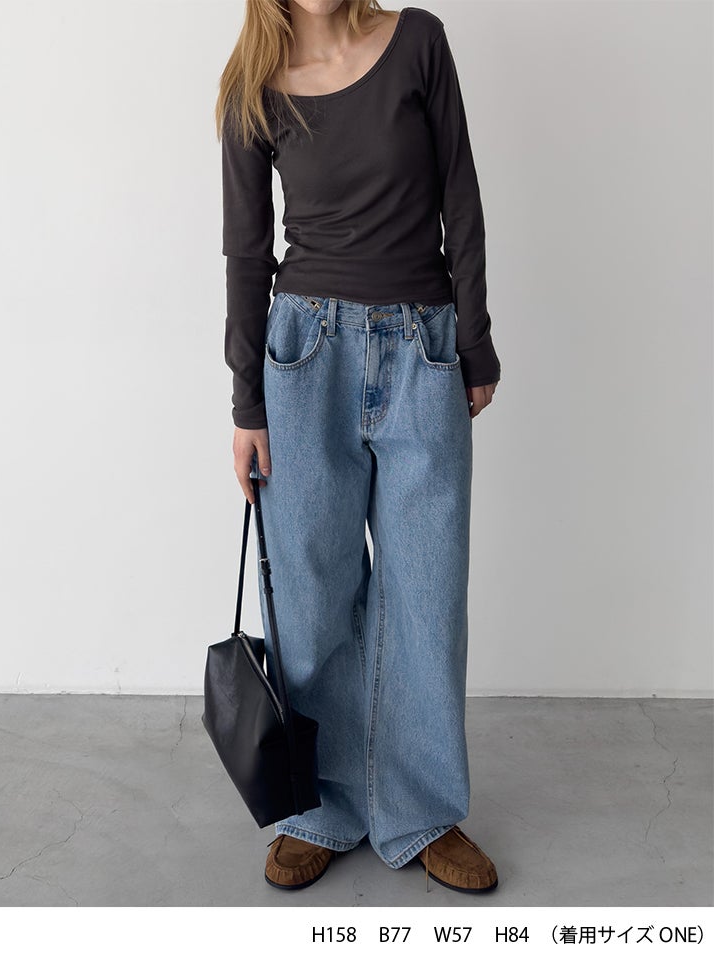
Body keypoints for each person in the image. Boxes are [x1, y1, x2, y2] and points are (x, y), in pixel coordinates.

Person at [216, 0, 501, 894]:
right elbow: (246, 253)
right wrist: (247, 401)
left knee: (427, 592)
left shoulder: (419, 41)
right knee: (311, 596)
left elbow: (460, 194)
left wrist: (475, 341)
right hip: (306, 357)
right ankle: (321, 809)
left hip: (424, 348)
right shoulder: (253, 86)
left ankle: (422, 812)